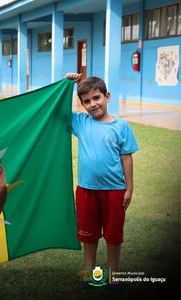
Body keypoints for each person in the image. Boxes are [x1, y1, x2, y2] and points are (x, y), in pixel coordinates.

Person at [66, 74, 139, 287]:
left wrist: (129, 188)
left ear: (107, 96)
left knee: (113, 234)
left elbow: (126, 158)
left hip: (114, 191)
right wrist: (68, 85)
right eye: (86, 101)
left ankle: (113, 273)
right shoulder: (81, 122)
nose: (92, 104)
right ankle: (90, 268)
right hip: (86, 189)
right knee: (88, 233)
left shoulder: (121, 126)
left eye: (96, 98)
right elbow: (58, 109)